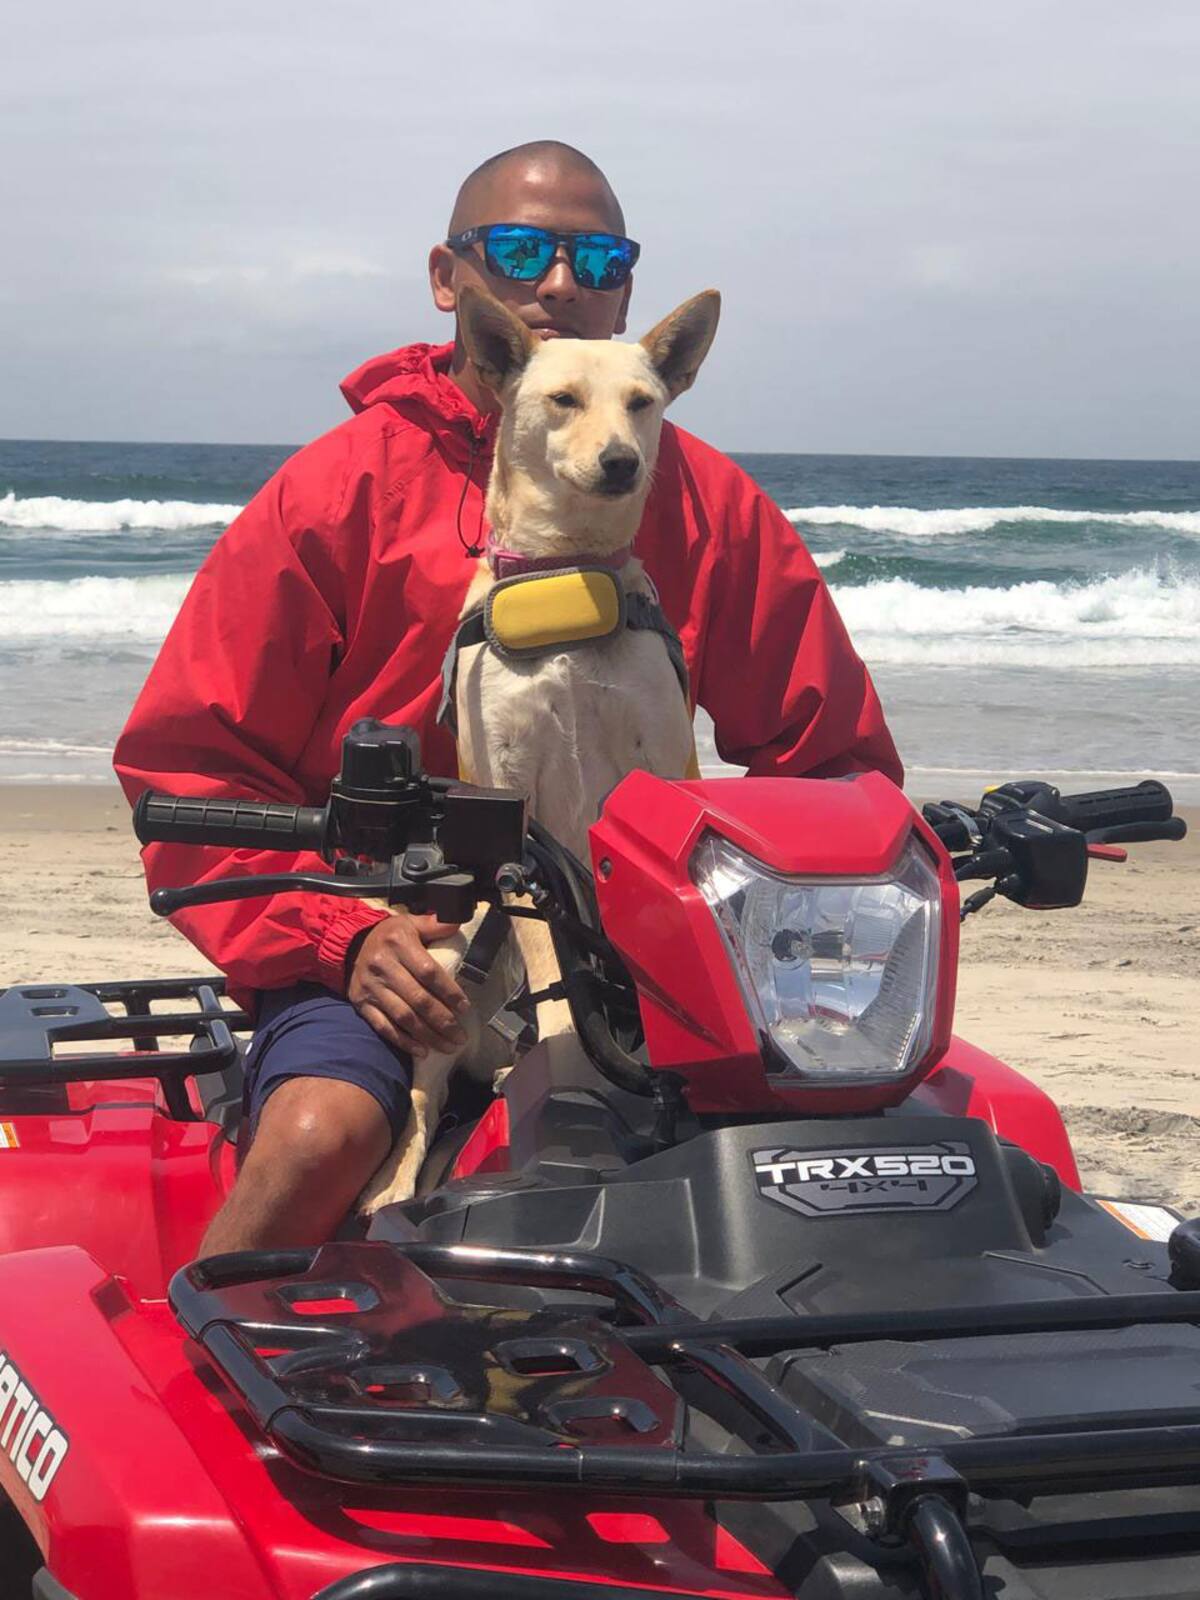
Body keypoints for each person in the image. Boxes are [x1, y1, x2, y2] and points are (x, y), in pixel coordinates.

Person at [115, 140, 902, 1253]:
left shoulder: (706, 501)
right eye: (524, 252)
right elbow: (187, 767)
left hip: (651, 954)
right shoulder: (341, 490)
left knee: (880, 1158)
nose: (564, 285)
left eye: (600, 258)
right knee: (318, 1136)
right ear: (452, 281)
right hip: (391, 953)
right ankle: (197, 1379)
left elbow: (835, 768)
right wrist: (340, 935)